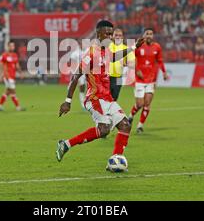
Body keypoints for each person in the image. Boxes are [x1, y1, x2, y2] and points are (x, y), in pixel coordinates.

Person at [56, 20, 144, 171]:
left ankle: (116, 158)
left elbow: (116, 56)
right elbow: (75, 76)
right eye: (107, 33)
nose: (110, 36)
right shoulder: (91, 53)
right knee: (104, 130)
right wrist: (67, 101)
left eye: (111, 33)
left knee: (125, 125)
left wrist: (134, 47)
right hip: (94, 98)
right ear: (98, 34)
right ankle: (66, 144)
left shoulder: (107, 51)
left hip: (107, 98)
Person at [129, 28, 168, 134]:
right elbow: (131, 59)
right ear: (144, 35)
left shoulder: (157, 47)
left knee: (147, 103)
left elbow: (160, 60)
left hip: (151, 80)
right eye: (147, 34)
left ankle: (140, 126)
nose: (149, 36)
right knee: (140, 104)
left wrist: (164, 72)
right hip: (140, 80)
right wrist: (136, 70)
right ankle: (131, 116)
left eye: (151, 34)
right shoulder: (139, 46)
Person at [0, 41, 25, 112]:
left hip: (12, 76)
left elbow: (17, 65)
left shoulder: (15, 55)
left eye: (13, 46)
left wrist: (21, 73)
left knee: (7, 92)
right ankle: (18, 107)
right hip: (7, 76)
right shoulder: (4, 55)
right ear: (8, 46)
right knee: (13, 91)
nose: (12, 47)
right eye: (11, 46)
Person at [109, 28, 135, 101]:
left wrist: (127, 64)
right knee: (105, 99)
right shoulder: (107, 46)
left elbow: (133, 64)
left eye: (120, 35)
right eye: (116, 35)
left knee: (114, 99)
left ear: (122, 37)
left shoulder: (126, 48)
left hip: (119, 77)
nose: (118, 37)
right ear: (112, 36)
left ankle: (109, 112)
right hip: (106, 77)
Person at [69, 42, 87, 110]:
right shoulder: (75, 53)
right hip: (80, 72)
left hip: (88, 72)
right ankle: (83, 104)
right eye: (82, 44)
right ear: (79, 45)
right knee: (82, 87)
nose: (83, 45)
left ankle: (91, 103)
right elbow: (71, 62)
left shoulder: (88, 50)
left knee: (91, 87)